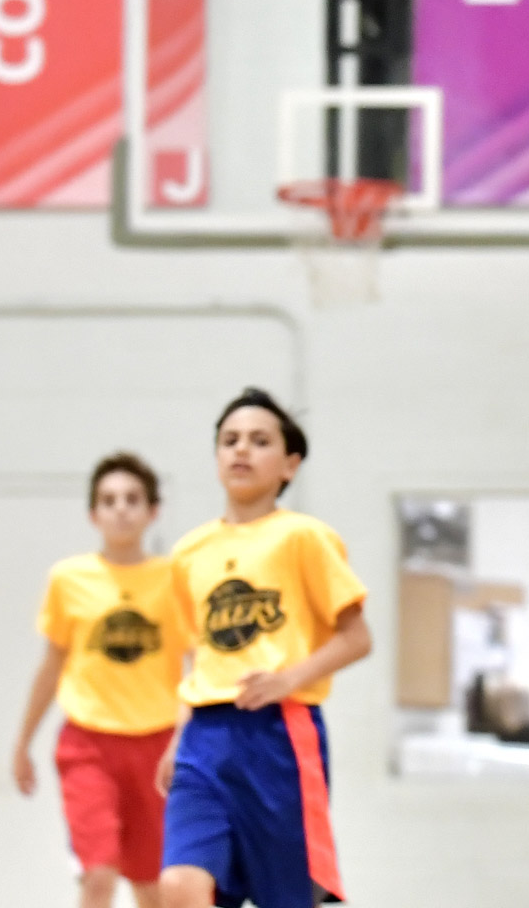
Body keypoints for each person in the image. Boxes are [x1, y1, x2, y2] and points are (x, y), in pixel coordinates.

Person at [156, 389, 372, 908]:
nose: (241, 451)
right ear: (215, 459)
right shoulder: (189, 553)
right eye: (229, 441)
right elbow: (199, 655)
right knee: (179, 886)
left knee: (292, 898)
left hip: (279, 735)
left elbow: (357, 636)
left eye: (259, 441)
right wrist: (177, 736)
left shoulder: (304, 538)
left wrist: (287, 680)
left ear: (289, 465)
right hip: (204, 739)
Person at [9, 453, 183, 908]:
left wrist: (189, 738)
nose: (121, 508)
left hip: (157, 746)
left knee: (153, 886)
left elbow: (197, 666)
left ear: (152, 511)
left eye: (132, 499)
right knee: (98, 875)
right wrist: (22, 741)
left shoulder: (173, 579)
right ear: (93, 514)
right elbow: (51, 665)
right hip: (89, 746)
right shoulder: (69, 579)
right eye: (109, 500)